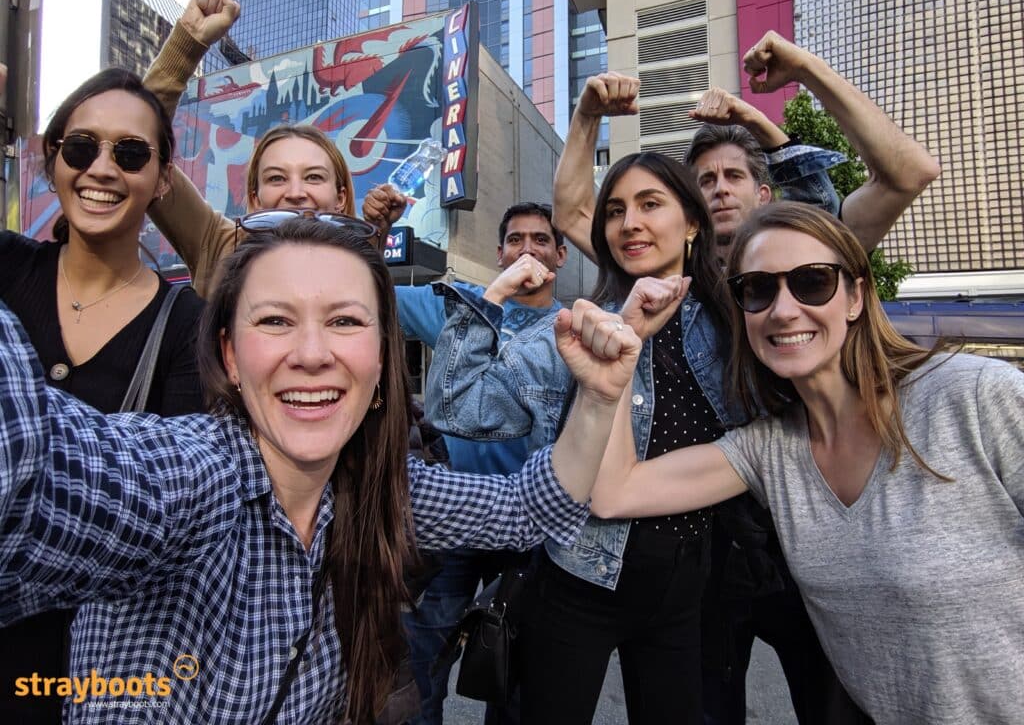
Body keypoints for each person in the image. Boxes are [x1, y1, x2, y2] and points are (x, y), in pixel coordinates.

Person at [0, 215, 642, 725]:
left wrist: (598, 395)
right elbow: (35, 469)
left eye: (344, 321)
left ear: (383, 360)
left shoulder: (381, 489)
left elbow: (529, 511)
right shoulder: (187, 476)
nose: (312, 354)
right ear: (227, 354)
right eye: (276, 321)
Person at [554, 34, 940, 723]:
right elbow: (578, 213)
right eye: (705, 181)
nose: (783, 309)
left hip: (806, 532)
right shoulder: (660, 287)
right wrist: (586, 116)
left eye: (736, 177)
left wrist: (791, 88)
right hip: (708, 537)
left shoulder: (774, 279)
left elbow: (902, 175)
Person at [589, 202, 1024, 725]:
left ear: (856, 296)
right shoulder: (771, 450)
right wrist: (626, 352)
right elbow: (614, 493)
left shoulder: (974, 396)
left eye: (812, 282)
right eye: (758, 288)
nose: (784, 309)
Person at [426, 145, 739, 723]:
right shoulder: (572, 332)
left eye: (651, 204)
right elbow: (455, 406)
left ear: (692, 221)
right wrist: (491, 295)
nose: (630, 223)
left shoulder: (736, 322)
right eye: (615, 211)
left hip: (688, 583)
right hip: (577, 579)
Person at [0, 68, 205, 723]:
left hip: (104, 666)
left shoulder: (187, 322)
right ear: (53, 159)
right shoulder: (6, 268)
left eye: (132, 152)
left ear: (162, 179)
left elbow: (170, 511)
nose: (103, 170)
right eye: (82, 147)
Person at [362, 196, 568, 725]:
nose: (528, 249)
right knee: (422, 660)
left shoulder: (573, 330)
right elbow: (366, 289)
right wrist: (372, 231)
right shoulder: (461, 304)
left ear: (561, 256)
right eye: (516, 240)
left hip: (532, 528)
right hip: (454, 518)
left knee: (515, 668)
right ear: (499, 253)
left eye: (541, 240)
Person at [138, 0, 400, 298]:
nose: (296, 193)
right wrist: (188, 43)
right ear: (255, 197)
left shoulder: (353, 263)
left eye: (314, 177)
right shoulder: (218, 245)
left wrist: (374, 234)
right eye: (276, 178)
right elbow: (139, 143)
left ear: (340, 197)